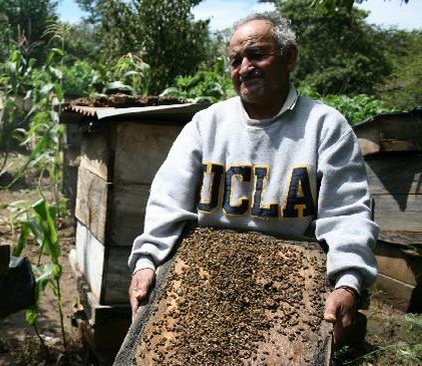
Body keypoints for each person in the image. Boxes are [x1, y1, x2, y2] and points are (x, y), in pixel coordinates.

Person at [127, 11, 378, 345]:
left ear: (290, 58)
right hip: (205, 280)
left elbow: (345, 213)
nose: (244, 68)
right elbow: (167, 202)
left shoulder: (325, 126)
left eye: (257, 54)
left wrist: (348, 282)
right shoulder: (207, 124)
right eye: (235, 60)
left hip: (288, 289)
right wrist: (147, 262)